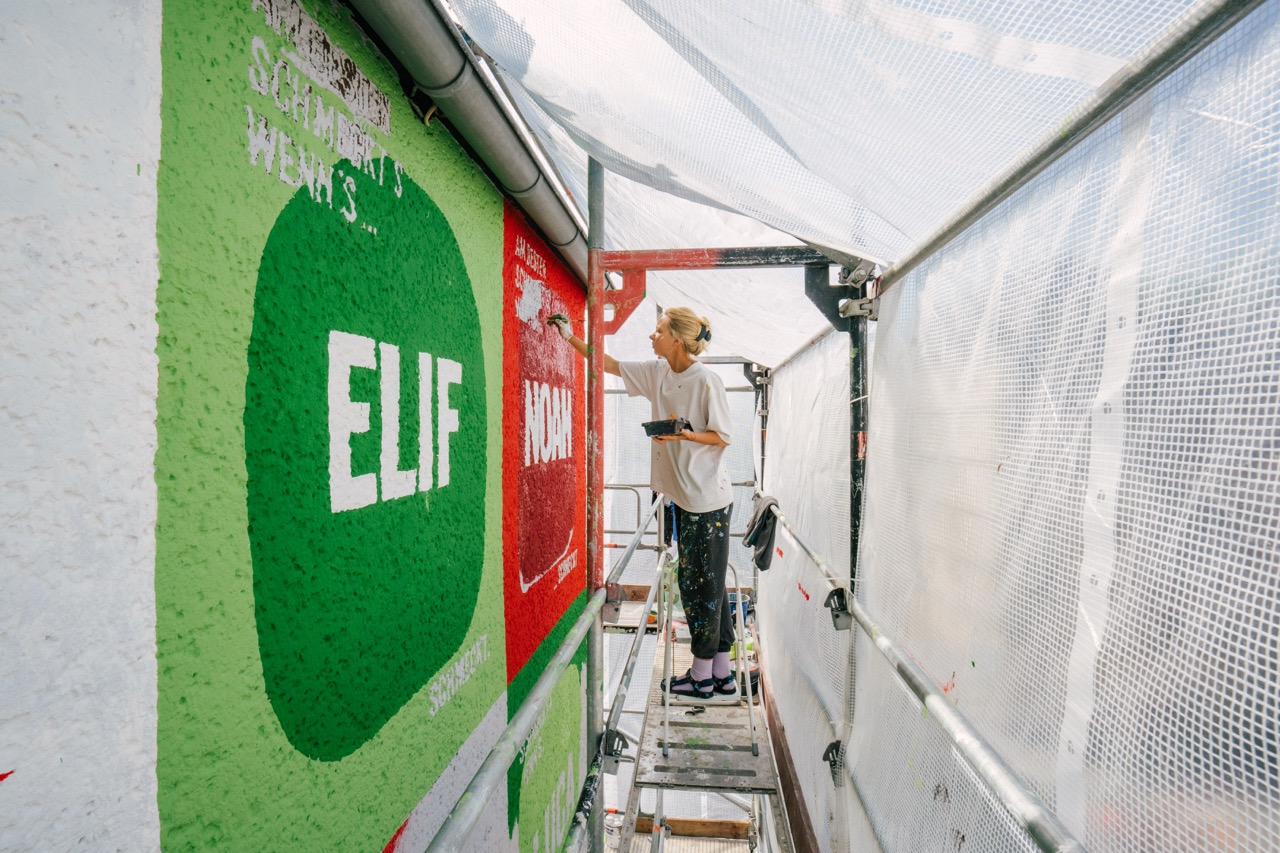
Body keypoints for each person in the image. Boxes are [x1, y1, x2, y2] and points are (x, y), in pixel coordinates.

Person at [550, 307, 737, 702]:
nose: (651, 336)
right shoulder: (659, 372)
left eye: (658, 330)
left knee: (698, 586)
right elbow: (611, 365)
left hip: (706, 502)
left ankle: (701, 678)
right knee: (711, 585)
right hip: (685, 496)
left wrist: (684, 434)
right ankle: (722, 674)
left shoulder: (706, 381)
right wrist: (569, 337)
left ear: (677, 340)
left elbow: (722, 436)